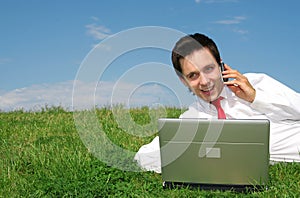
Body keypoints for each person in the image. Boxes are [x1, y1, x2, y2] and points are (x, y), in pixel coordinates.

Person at [134, 33, 300, 173]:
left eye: (209, 69)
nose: (205, 81)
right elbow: (143, 157)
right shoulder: (191, 119)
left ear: (221, 65)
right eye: (193, 75)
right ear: (183, 80)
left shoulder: (257, 83)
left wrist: (255, 98)